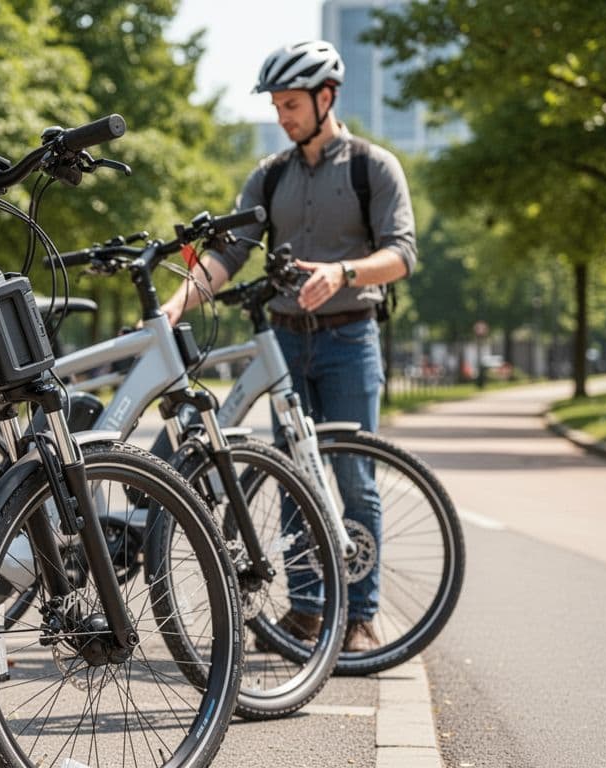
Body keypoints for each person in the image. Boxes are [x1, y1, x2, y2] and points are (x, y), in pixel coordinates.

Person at [159, 40, 417, 653]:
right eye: (277, 105)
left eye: (293, 103)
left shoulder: (372, 167)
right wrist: (174, 306)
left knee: (354, 478)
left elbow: (402, 254)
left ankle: (358, 613)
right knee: (292, 477)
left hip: (349, 338)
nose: (283, 115)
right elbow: (226, 255)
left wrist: (345, 273)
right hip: (284, 343)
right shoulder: (269, 174)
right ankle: (305, 611)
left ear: (327, 97)